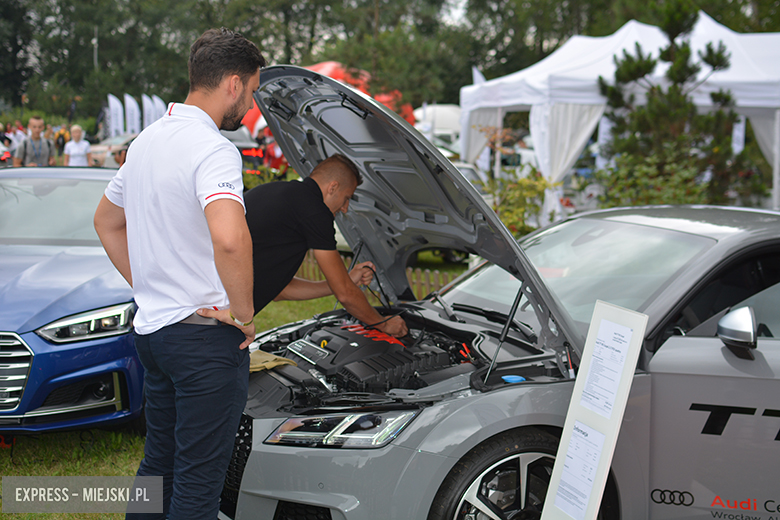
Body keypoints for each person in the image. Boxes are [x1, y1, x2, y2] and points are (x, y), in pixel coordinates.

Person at [93, 27, 265, 520]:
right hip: (203, 342)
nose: (250, 105)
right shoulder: (213, 148)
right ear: (233, 83)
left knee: (158, 470)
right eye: (252, 92)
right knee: (197, 486)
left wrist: (150, 284)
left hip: (155, 334)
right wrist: (245, 315)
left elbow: (106, 221)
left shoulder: (147, 140)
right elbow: (230, 238)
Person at [219, 154, 408, 337]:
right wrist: (384, 324)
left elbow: (280, 290)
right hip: (219, 320)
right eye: (346, 198)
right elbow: (345, 294)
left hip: (211, 307)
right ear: (333, 187)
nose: (345, 208)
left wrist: (345, 280)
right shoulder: (315, 211)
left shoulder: (276, 191)